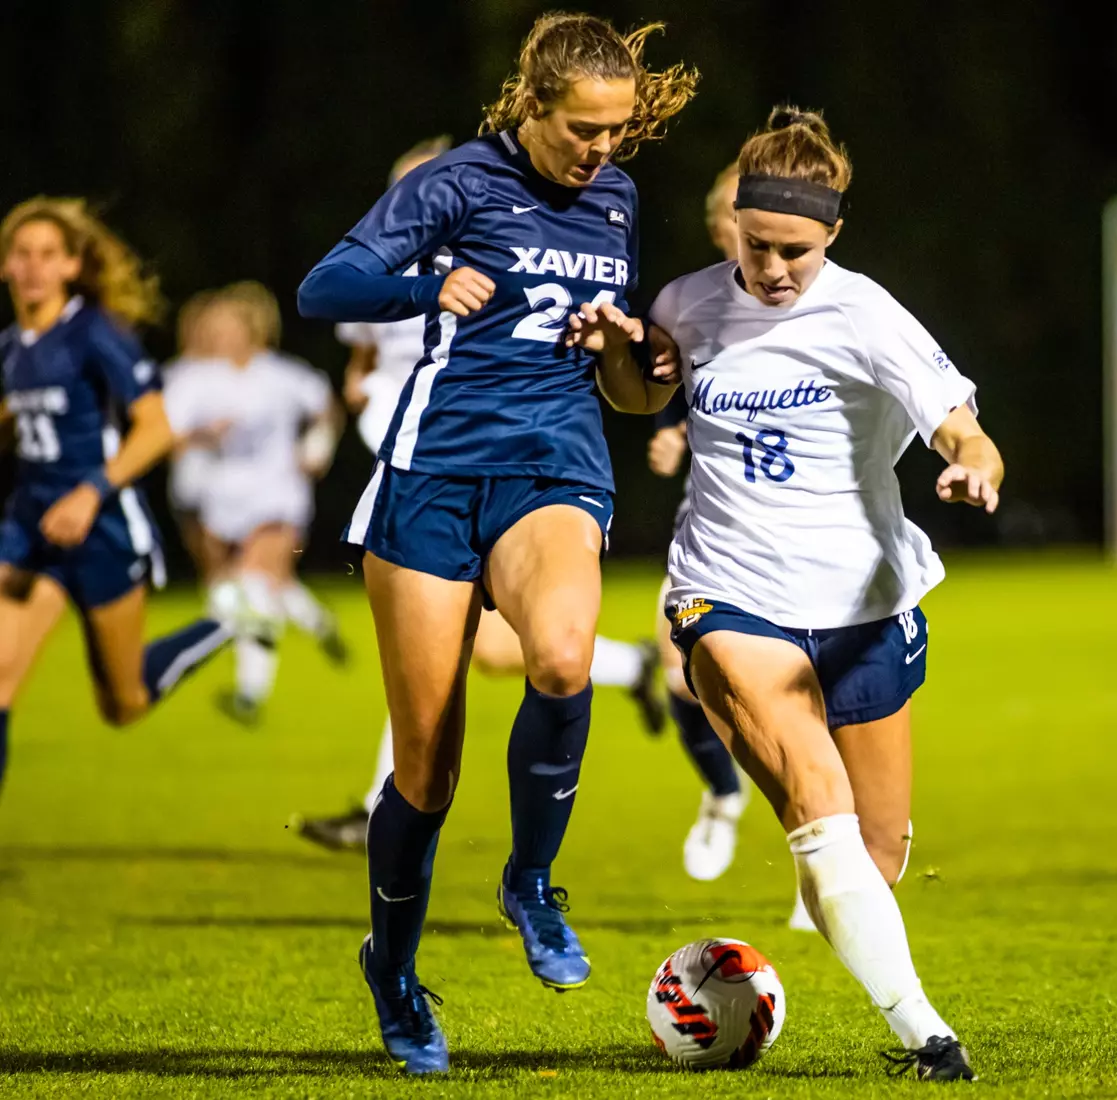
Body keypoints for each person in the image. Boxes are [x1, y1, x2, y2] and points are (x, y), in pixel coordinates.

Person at [297, 12, 693, 1074]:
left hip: (555, 464)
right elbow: (323, 286)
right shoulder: (455, 183)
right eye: (583, 128)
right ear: (533, 106)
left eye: (617, 130)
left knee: (564, 655)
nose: (601, 149)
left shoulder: (615, 198)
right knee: (424, 769)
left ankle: (528, 881)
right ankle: (392, 967)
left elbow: (624, 388)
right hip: (430, 477)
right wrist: (426, 285)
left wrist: (634, 352)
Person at [645, 107, 1004, 1081]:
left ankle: (842, 892)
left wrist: (973, 463)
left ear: (831, 235)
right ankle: (928, 1035)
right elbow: (639, 387)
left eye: (793, 251)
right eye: (755, 245)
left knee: (875, 845)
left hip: (863, 607)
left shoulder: (865, 314)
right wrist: (619, 359)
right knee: (817, 797)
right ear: (732, 223)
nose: (771, 268)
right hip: (730, 593)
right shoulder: (686, 302)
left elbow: (962, 426)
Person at [295, 136, 666, 854]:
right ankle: (399, 809)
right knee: (451, 663)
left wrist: (629, 347)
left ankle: (508, 862)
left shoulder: (554, 214)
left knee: (500, 651)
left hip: (515, 459)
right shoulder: (400, 255)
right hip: (423, 451)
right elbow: (358, 342)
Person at [0, 197, 238, 792]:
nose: (32, 266)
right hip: (30, 527)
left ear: (72, 266)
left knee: (123, 704)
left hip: (103, 527)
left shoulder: (93, 332)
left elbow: (157, 429)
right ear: (5, 264)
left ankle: (216, 628)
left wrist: (89, 492)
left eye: (47, 254)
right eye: (21, 253)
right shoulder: (10, 347)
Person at [164, 282, 345, 725]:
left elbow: (327, 409)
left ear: (252, 330)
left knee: (257, 582)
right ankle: (317, 622)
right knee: (228, 591)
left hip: (278, 493)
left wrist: (316, 448)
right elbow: (167, 433)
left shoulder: (281, 375)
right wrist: (205, 434)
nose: (221, 336)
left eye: (230, 327)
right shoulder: (198, 379)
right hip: (220, 496)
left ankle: (250, 691)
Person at [646, 162, 757, 885]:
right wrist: (670, 428)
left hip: (802, 529)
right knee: (679, 674)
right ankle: (722, 793)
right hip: (711, 522)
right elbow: (685, 385)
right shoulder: (696, 306)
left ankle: (829, 854)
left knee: (809, 698)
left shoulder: (828, 306)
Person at [162, 291, 220, 581]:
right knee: (202, 551)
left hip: (223, 473)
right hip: (188, 472)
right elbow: (167, 431)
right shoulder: (175, 373)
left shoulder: (224, 371)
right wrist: (202, 433)